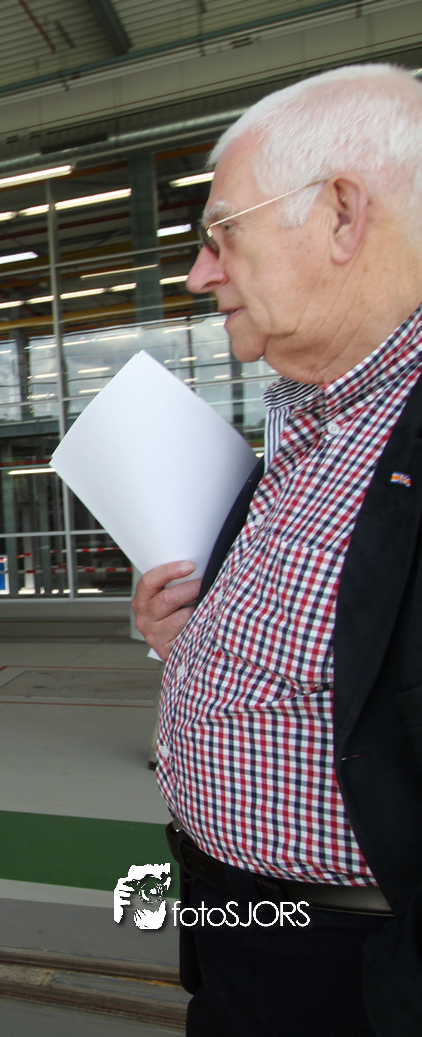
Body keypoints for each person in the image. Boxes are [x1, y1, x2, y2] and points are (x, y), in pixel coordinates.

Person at [131, 65, 422, 1036]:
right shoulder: (301, 432)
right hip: (239, 928)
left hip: (358, 968)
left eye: (221, 234)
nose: (198, 273)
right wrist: (188, 642)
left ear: (341, 214)